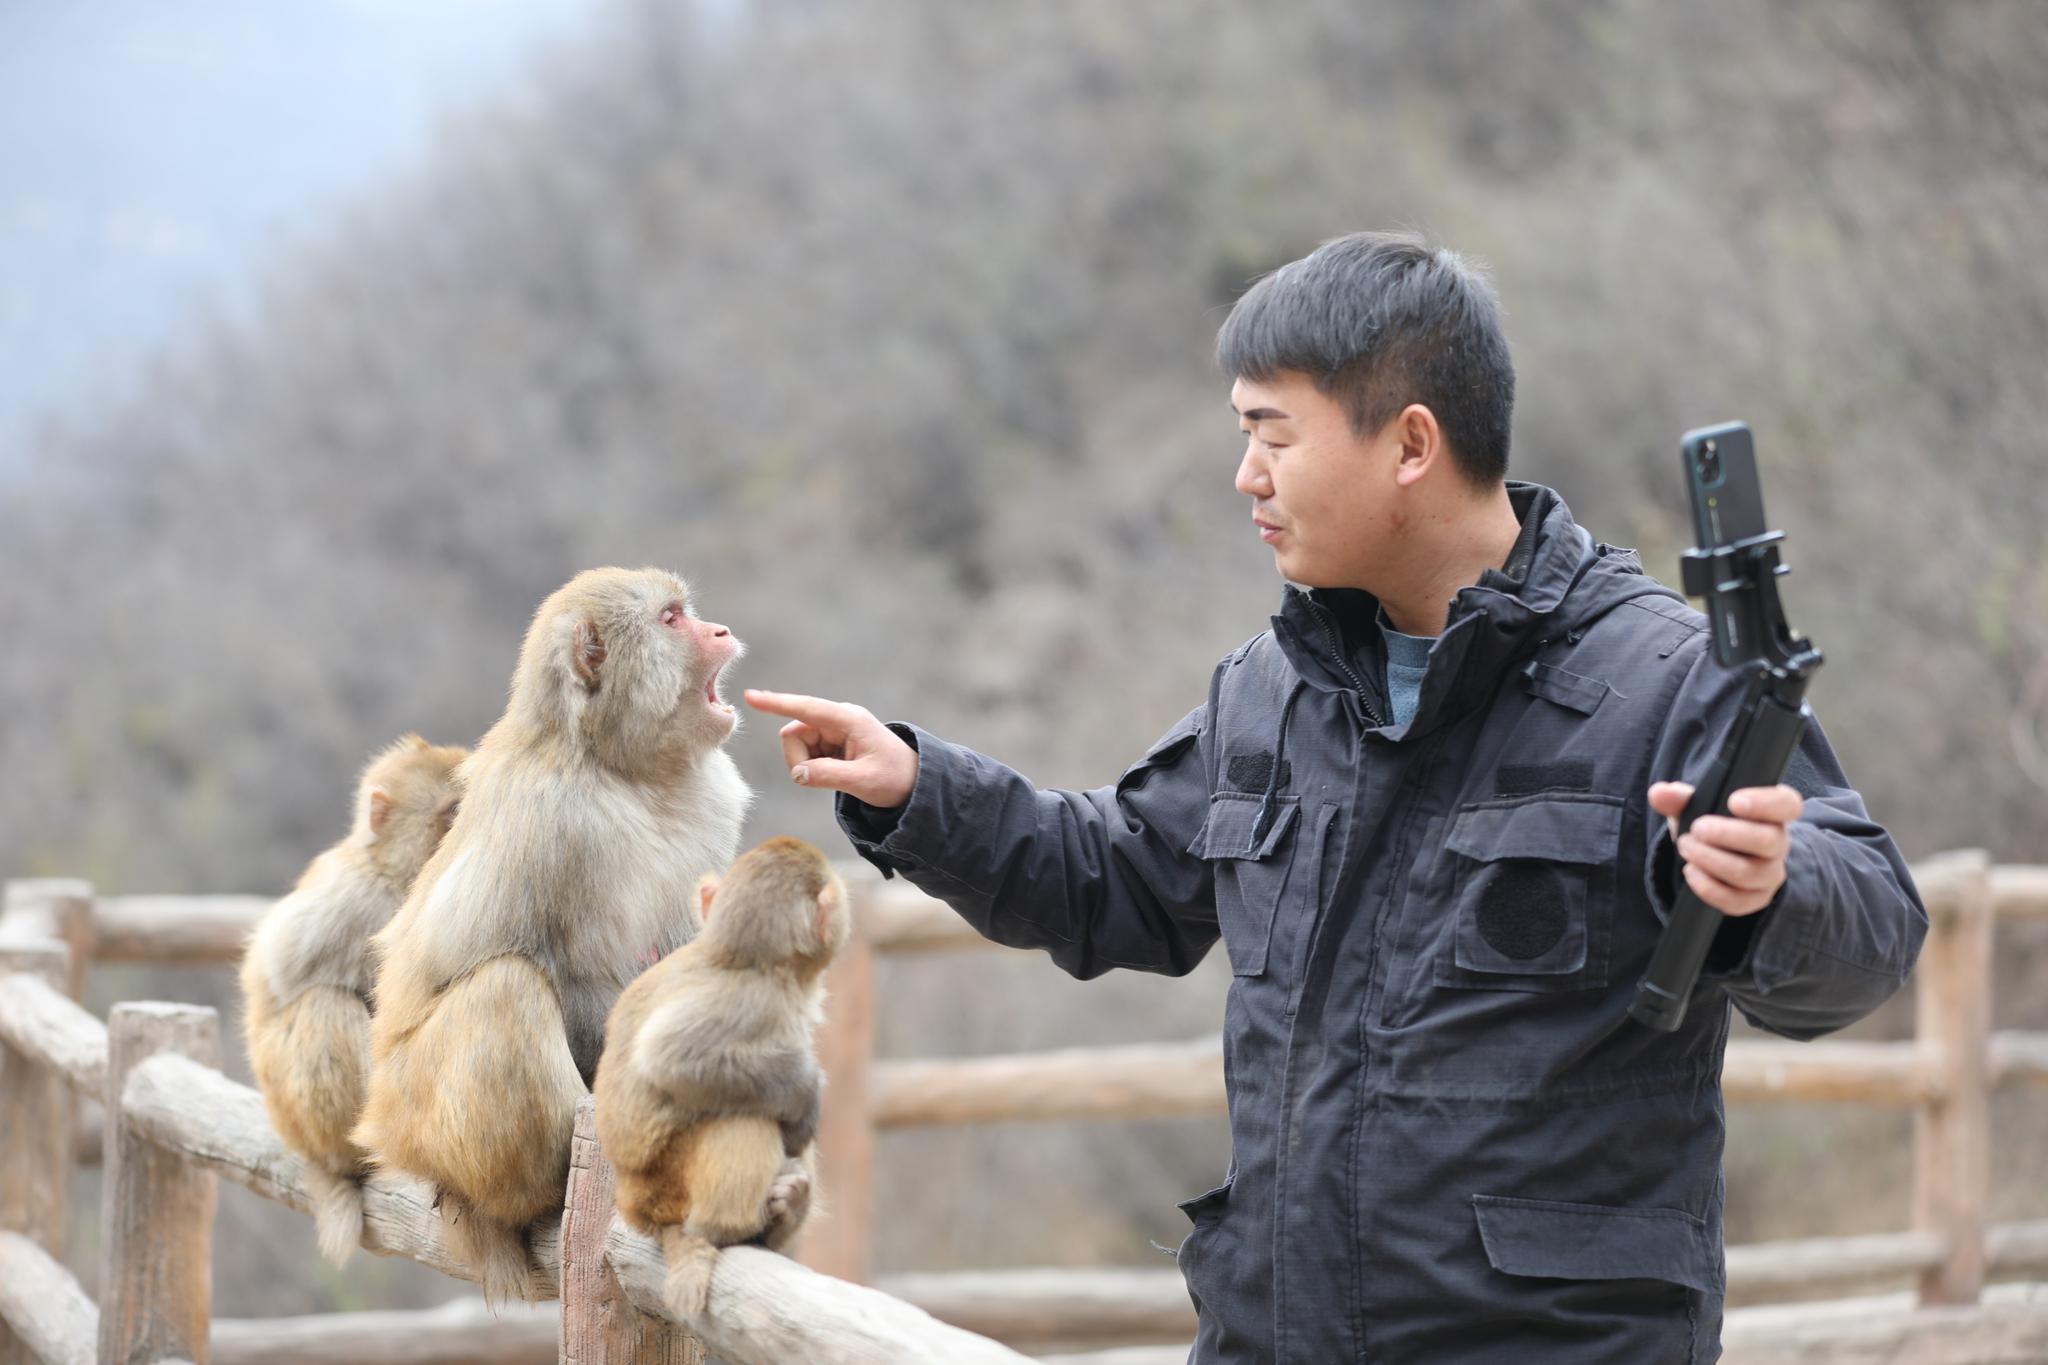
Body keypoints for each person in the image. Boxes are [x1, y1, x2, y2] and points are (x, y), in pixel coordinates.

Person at [745, 230, 1927, 1364]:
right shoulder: (1274, 689)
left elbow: (1871, 925)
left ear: (1409, 445)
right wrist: (920, 790)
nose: (1244, 476)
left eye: (1273, 434)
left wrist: (1772, 888)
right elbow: (1120, 884)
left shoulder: (1663, 679)